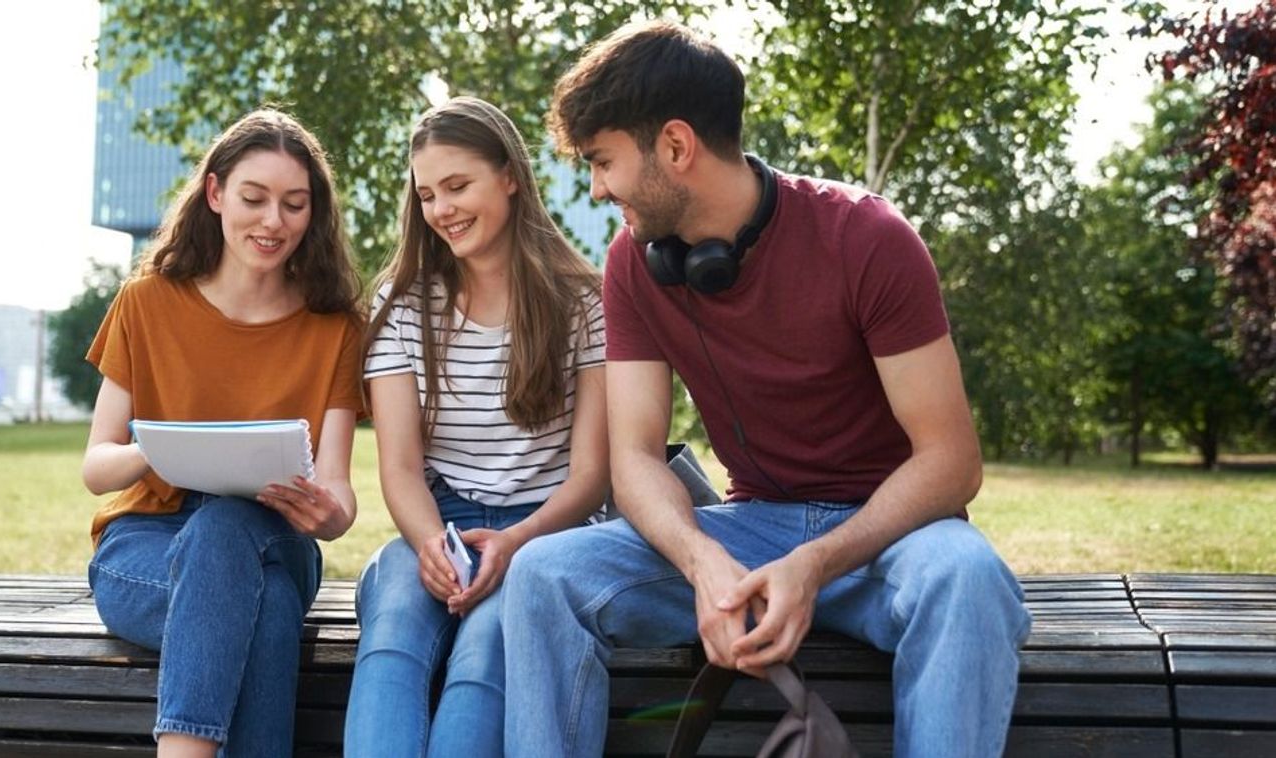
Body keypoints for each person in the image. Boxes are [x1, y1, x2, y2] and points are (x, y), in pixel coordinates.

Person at [499, 20, 1032, 758]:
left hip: (890, 537)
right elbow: (635, 457)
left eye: (602, 161)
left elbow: (950, 462)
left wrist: (813, 563)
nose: (595, 188)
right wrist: (701, 561)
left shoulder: (869, 239)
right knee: (543, 574)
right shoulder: (632, 264)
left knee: (969, 578)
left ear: (676, 147)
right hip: (748, 530)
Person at [81, 109, 366, 758]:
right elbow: (96, 466)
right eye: (254, 198)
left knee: (225, 529)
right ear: (214, 194)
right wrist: (152, 448)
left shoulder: (335, 327)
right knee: (261, 613)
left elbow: (340, 493)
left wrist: (326, 516)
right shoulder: (147, 301)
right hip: (145, 543)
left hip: (275, 537)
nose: (273, 222)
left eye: (294, 205)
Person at [343, 96, 608, 758]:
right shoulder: (401, 304)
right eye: (428, 194)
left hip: (545, 531)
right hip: (441, 524)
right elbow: (399, 468)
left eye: (458, 186)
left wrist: (517, 540)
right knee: (392, 636)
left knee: (484, 654)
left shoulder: (584, 301)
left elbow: (593, 475)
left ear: (510, 176)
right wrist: (431, 542)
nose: (442, 209)